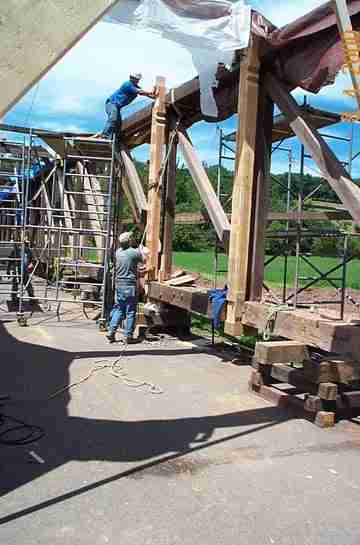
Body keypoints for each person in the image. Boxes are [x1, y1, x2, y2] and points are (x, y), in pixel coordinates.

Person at [106, 232, 149, 344]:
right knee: (130, 311)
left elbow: (131, 263)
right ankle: (128, 336)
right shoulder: (133, 253)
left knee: (120, 308)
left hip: (119, 284)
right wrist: (141, 251)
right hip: (129, 285)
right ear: (129, 240)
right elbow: (144, 260)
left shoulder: (118, 252)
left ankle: (111, 331)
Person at [101, 73, 156, 142]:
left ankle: (116, 139)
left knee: (118, 124)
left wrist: (154, 97)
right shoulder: (127, 84)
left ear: (137, 80)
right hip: (111, 104)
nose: (132, 79)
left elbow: (144, 93)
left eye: (134, 78)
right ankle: (105, 136)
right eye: (132, 78)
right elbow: (141, 91)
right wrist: (151, 92)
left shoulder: (135, 87)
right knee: (113, 118)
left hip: (117, 107)